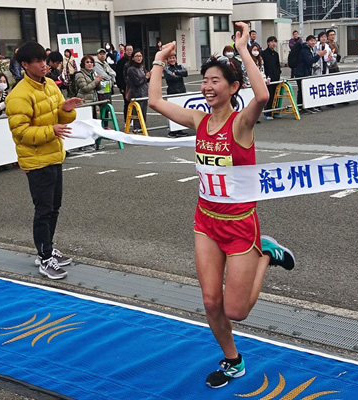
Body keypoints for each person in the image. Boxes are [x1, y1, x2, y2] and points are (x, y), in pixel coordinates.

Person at [148, 21, 295, 390]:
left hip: (241, 224)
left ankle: (265, 254)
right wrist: (157, 63)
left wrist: (243, 48)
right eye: (206, 81)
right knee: (211, 302)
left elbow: (262, 97)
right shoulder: (198, 120)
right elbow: (154, 102)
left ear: (232, 88)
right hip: (206, 222)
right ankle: (233, 361)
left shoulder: (241, 124)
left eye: (216, 81)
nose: (208, 87)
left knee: (236, 310)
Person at [5, 41, 81, 279]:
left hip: (53, 155)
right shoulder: (19, 94)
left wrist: (67, 109)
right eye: (37, 61)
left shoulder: (49, 84)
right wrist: (52, 130)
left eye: (44, 60)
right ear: (25, 65)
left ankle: (46, 249)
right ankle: (45, 257)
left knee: (54, 208)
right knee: (44, 210)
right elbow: (21, 132)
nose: (43, 65)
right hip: (36, 160)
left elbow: (61, 116)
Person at [294, 35, 326, 114]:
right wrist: (318, 55)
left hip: (305, 72)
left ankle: (305, 107)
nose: (313, 42)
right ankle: (301, 107)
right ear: (307, 41)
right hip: (301, 73)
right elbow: (310, 61)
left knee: (303, 90)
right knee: (302, 90)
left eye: (314, 41)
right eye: (311, 41)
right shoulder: (305, 50)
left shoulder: (308, 49)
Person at [163, 52, 188, 137]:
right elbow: (170, 77)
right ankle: (172, 131)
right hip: (172, 92)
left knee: (181, 111)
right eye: (170, 58)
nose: (172, 60)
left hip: (181, 91)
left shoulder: (180, 66)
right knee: (172, 112)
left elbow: (185, 73)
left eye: (173, 58)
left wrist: (176, 72)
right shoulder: (166, 68)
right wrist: (178, 74)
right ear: (167, 60)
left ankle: (180, 130)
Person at [126, 49, 150, 131]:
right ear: (132, 58)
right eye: (136, 56)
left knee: (143, 114)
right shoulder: (131, 69)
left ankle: (142, 129)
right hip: (136, 94)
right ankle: (137, 130)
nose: (139, 58)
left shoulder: (142, 68)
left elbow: (146, 80)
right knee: (137, 114)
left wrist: (148, 77)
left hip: (144, 93)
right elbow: (136, 82)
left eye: (140, 56)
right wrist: (146, 77)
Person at [94, 48, 117, 130]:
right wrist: (110, 76)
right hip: (101, 90)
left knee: (107, 109)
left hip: (108, 89)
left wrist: (109, 76)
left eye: (104, 54)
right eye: (100, 54)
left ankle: (105, 126)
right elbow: (104, 75)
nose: (102, 55)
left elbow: (114, 73)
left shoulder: (106, 64)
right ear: (97, 55)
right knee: (101, 109)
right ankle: (101, 126)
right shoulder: (96, 64)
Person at [260, 36, 281, 120]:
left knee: (275, 95)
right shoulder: (263, 53)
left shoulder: (276, 54)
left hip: (276, 77)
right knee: (269, 95)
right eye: (272, 42)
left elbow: (277, 65)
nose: (273, 43)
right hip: (268, 77)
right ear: (268, 43)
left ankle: (274, 111)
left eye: (275, 42)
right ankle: (268, 113)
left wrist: (278, 73)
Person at [116, 44, 133, 126]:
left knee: (135, 103)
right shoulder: (121, 62)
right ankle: (127, 121)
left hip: (135, 87)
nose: (130, 51)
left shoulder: (134, 61)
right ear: (125, 51)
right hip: (125, 86)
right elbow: (118, 76)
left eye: (131, 50)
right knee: (127, 103)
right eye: (128, 50)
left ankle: (135, 119)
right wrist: (121, 87)